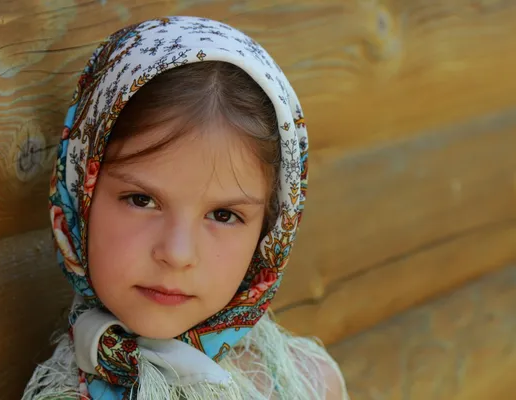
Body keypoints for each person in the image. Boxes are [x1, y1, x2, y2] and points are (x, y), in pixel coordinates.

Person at [22, 15, 349, 400]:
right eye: (142, 200)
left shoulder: (307, 384)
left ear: (270, 231)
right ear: (79, 196)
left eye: (224, 215)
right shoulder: (60, 392)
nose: (177, 254)